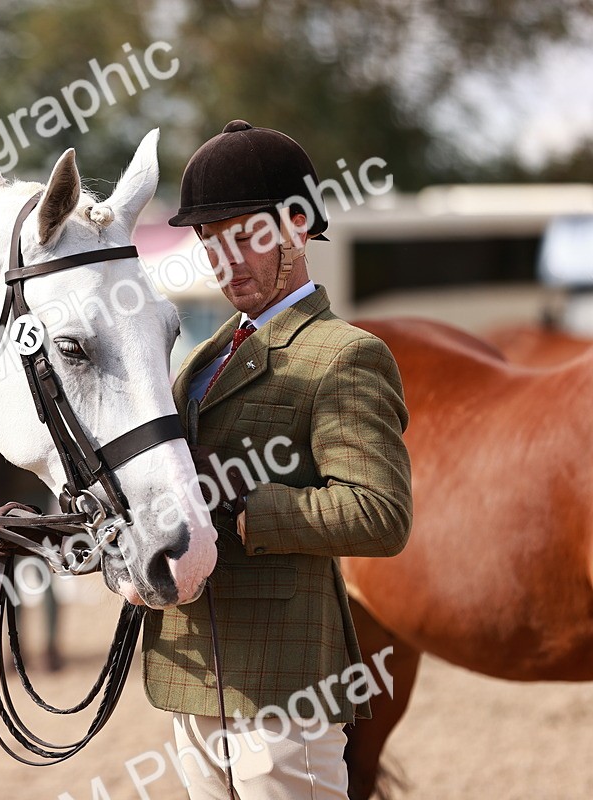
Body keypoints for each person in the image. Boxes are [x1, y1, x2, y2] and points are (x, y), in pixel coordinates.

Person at [143, 120, 413, 799]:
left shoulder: (346, 355)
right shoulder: (198, 364)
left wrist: (241, 510)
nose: (224, 260)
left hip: (287, 684)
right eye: (210, 242)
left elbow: (380, 516)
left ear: (296, 225)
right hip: (194, 673)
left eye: (242, 236)